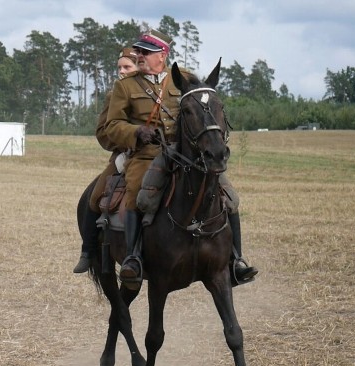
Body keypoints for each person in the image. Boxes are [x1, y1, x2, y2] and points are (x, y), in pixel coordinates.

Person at [104, 29, 258, 286]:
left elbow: (202, 108)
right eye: (138, 52)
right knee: (137, 193)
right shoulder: (125, 86)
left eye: (145, 52)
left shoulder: (183, 78)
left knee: (228, 196)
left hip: (184, 153)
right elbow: (112, 126)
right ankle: (133, 258)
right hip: (145, 154)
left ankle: (235, 260)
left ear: (162, 55)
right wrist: (137, 132)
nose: (139, 55)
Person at [73, 47, 139, 273]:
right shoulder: (113, 96)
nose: (122, 71)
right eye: (119, 67)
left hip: (159, 154)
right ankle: (88, 251)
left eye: (127, 67)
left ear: (139, 67)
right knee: (94, 197)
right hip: (125, 155)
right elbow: (102, 132)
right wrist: (124, 144)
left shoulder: (154, 93)